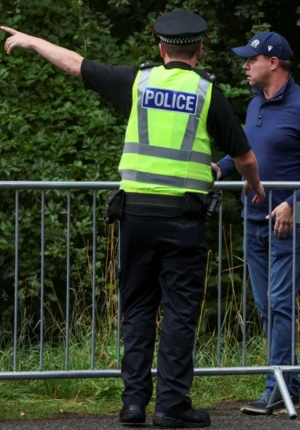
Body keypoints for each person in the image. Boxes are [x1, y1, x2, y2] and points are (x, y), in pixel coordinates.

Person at [2, 10, 265, 428]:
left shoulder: (138, 82)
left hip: (135, 215)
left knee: (138, 308)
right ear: (199, 49)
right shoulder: (206, 92)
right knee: (179, 312)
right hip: (183, 218)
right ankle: (171, 406)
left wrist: (33, 40)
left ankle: (133, 404)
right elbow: (245, 155)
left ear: (161, 49)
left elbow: (77, 63)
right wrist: (255, 186)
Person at [211, 31, 300, 415]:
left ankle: (276, 386)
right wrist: (219, 167)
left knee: (280, 302)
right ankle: (289, 383)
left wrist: (293, 201)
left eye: (251, 60)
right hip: (254, 215)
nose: (244, 65)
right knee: (265, 303)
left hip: (294, 217)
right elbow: (245, 152)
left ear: (274, 63)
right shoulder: (256, 105)